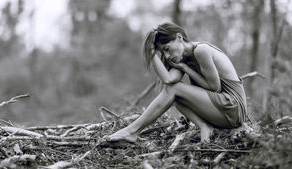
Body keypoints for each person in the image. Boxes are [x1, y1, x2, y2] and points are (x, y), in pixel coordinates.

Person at [105, 22, 248, 143]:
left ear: (179, 38)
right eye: (163, 53)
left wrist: (186, 69)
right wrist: (152, 53)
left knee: (175, 90)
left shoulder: (201, 50)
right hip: (221, 111)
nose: (167, 56)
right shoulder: (182, 59)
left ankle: (132, 131)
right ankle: (205, 127)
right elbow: (168, 80)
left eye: (167, 49)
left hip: (233, 108)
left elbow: (215, 88)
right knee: (175, 96)